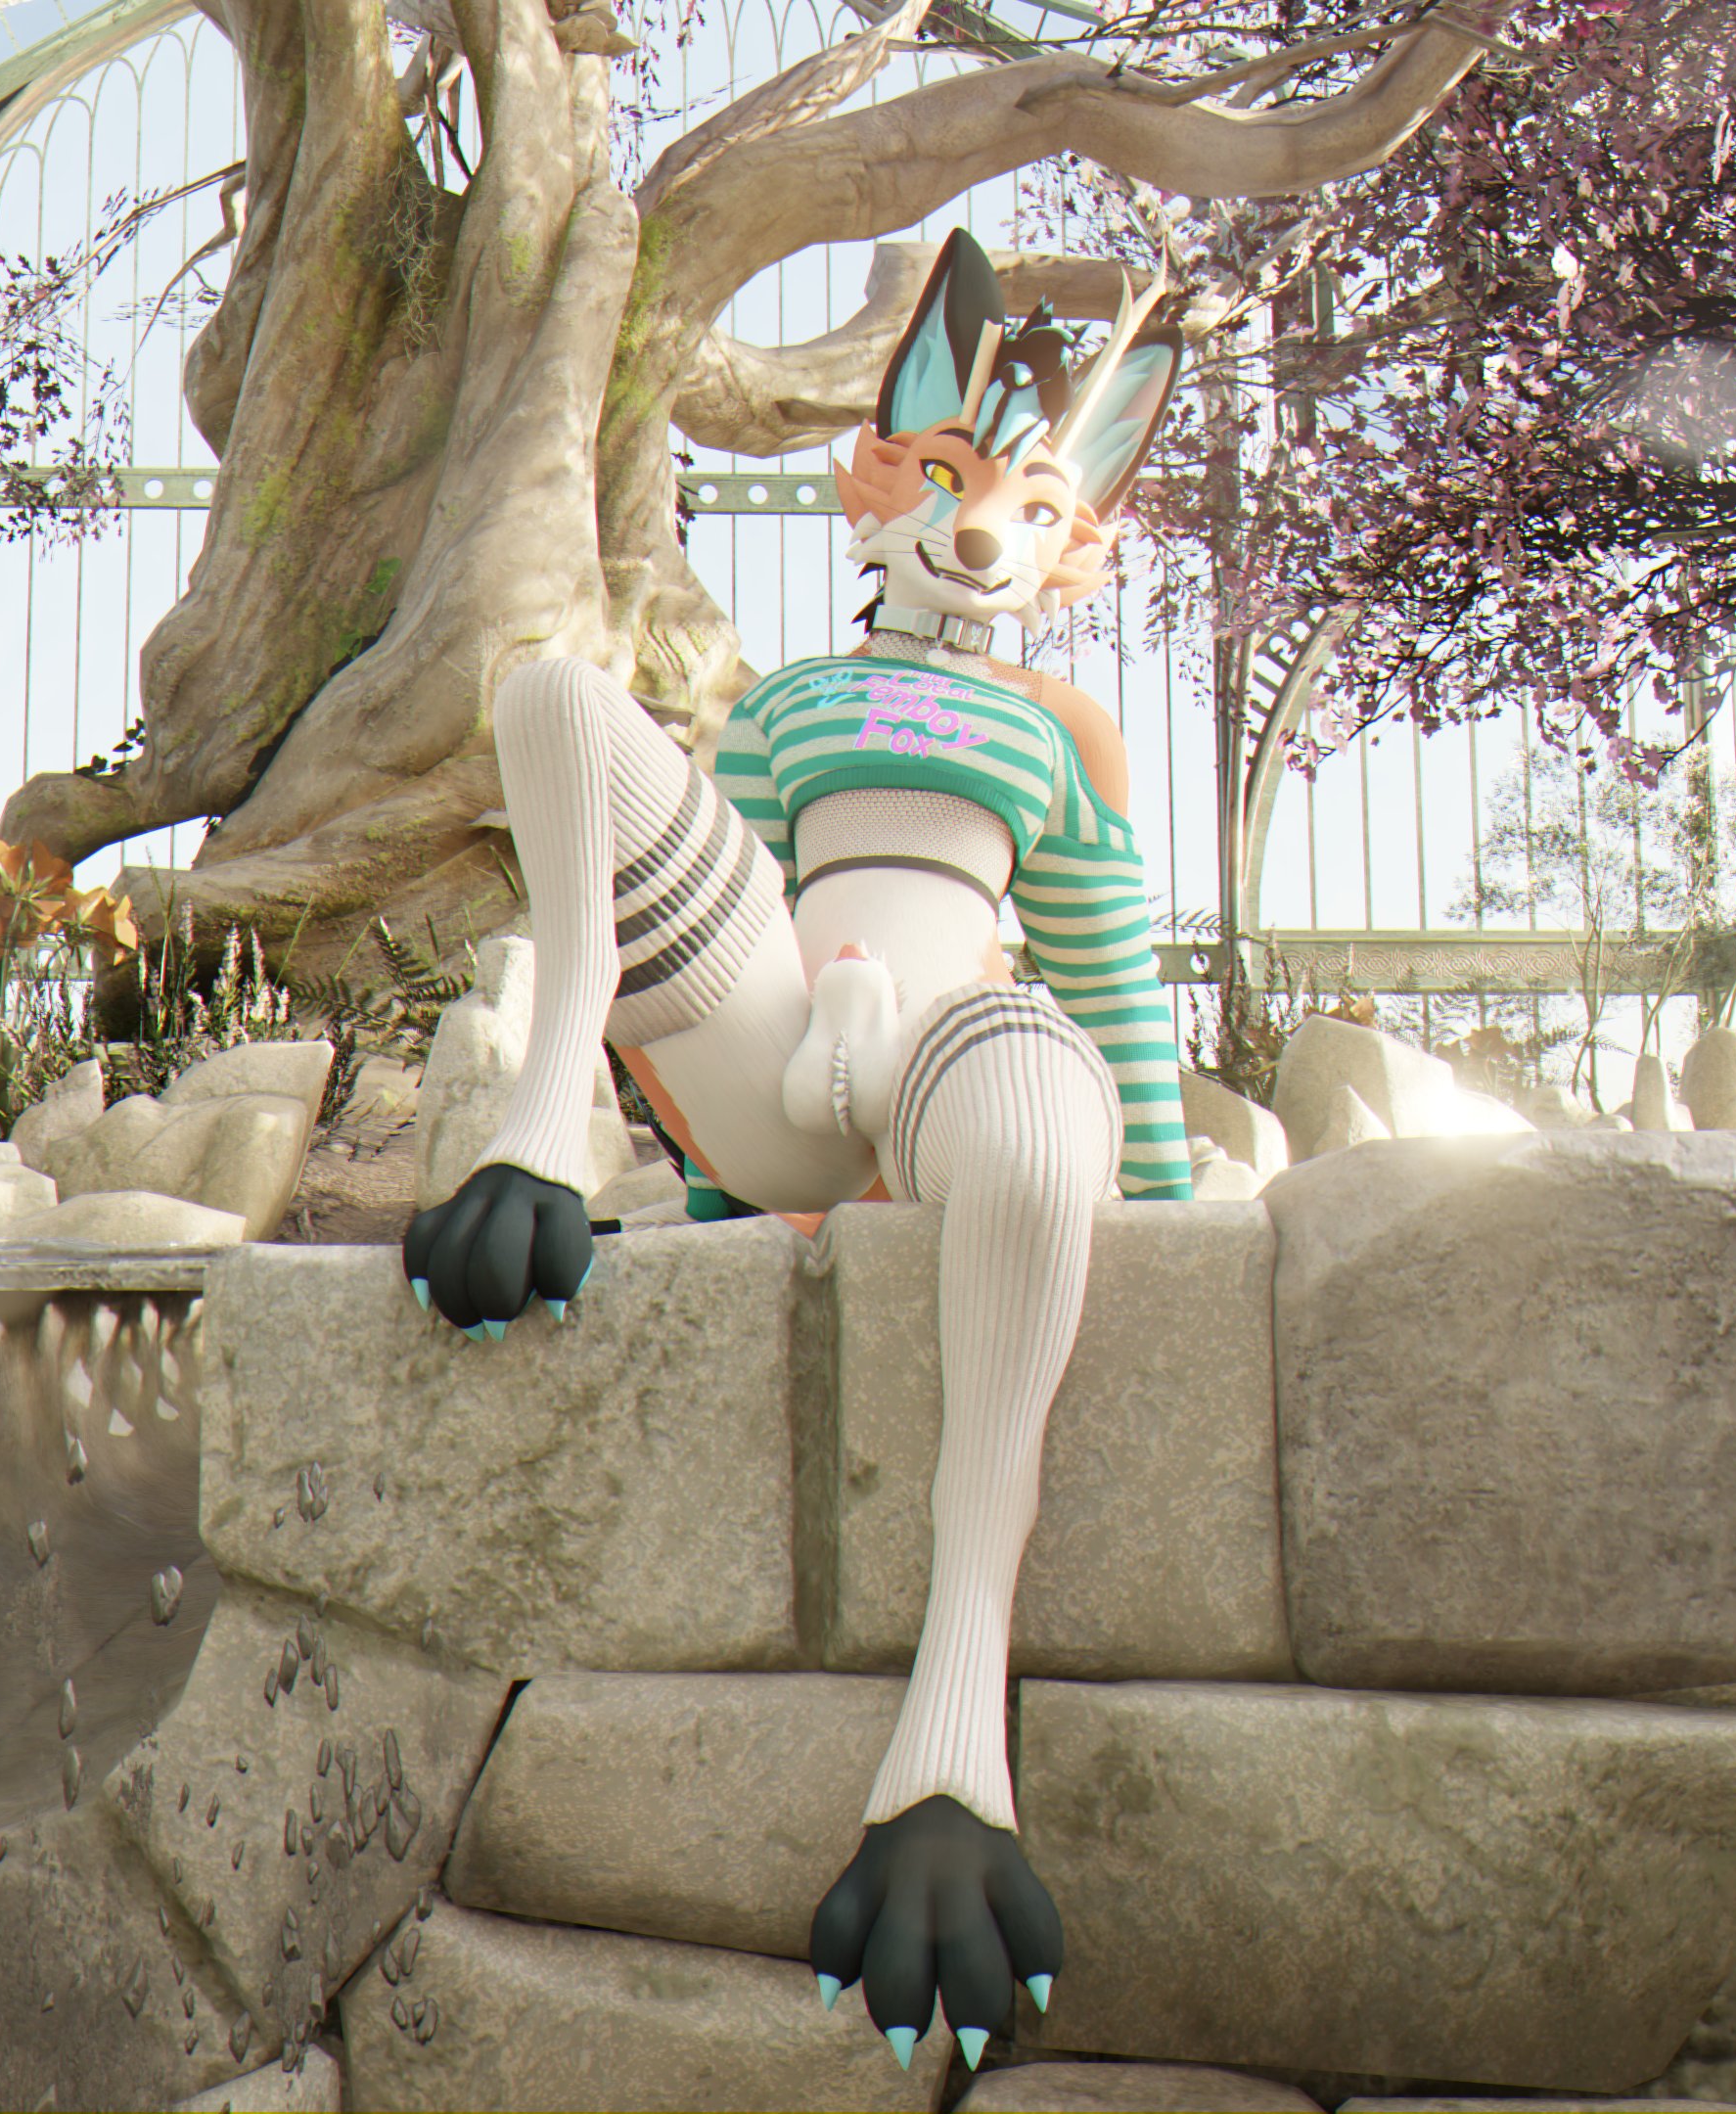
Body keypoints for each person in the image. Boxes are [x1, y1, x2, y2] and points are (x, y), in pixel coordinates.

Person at [402, 227, 1189, 2075]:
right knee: (555, 701)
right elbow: (711, 903)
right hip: (780, 1064)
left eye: (1029, 504)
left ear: (1074, 546)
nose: (978, 527)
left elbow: (1113, 983)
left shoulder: (1062, 737)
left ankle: (953, 1756)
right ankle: (539, 1135)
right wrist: (696, 1180)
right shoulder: (790, 711)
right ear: (878, 477)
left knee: (1038, 1090)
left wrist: (1161, 1200)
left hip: (942, 1090)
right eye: (949, 475)